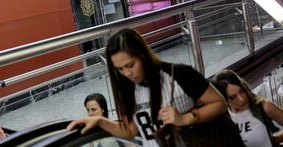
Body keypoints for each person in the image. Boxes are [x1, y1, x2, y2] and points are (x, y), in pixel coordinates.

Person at [67, 28, 232, 147]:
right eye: (120, 69)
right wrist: (100, 120)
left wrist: (185, 118)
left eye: (130, 65)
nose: (127, 73)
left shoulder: (179, 74)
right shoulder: (128, 89)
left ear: (142, 55)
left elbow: (219, 103)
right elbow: (130, 131)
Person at [211, 69, 283, 147]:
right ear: (223, 99)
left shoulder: (263, 106)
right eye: (233, 97)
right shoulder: (220, 116)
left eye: (242, 91)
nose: (242, 99)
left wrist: (275, 140)